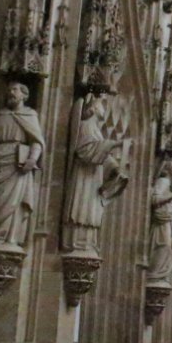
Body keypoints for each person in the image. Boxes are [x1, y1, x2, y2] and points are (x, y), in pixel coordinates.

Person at [0, 82, 45, 249]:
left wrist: (32, 159)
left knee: (13, 201)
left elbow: (36, 140)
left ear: (24, 95)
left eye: (14, 90)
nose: (10, 93)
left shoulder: (30, 115)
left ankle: (7, 238)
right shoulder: (0, 115)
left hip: (16, 162)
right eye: (8, 90)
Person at [63, 93, 127, 254]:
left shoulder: (96, 129)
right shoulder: (85, 125)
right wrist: (114, 144)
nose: (104, 107)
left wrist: (115, 168)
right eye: (100, 104)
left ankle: (88, 242)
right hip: (84, 176)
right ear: (93, 108)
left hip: (93, 177)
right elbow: (85, 151)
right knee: (83, 208)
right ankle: (77, 242)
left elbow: (102, 156)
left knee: (91, 209)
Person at [146, 159, 172, 284]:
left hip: (169, 219)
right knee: (164, 244)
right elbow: (155, 199)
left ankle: (160, 275)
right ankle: (154, 275)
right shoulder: (163, 181)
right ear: (166, 169)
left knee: (169, 246)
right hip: (162, 220)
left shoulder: (171, 184)